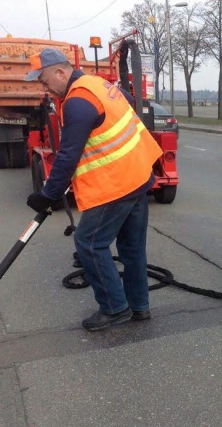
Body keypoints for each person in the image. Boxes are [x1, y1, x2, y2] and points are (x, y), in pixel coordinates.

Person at [24, 48, 163, 331]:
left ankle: (114, 308)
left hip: (116, 184)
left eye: (44, 79)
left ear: (61, 72)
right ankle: (139, 306)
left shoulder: (78, 101)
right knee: (132, 247)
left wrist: (48, 195)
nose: (44, 87)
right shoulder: (98, 84)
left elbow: (67, 155)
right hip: (138, 175)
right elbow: (129, 101)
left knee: (89, 243)